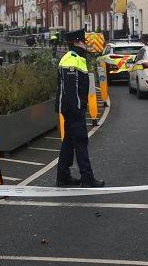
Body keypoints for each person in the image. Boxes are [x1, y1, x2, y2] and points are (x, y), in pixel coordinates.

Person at [56, 29, 105, 188]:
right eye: (84, 41)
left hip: (72, 108)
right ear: (77, 42)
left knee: (69, 143)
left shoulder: (77, 58)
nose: (86, 43)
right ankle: (87, 178)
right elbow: (71, 90)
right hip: (73, 109)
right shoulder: (72, 59)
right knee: (81, 141)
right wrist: (78, 110)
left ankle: (63, 177)